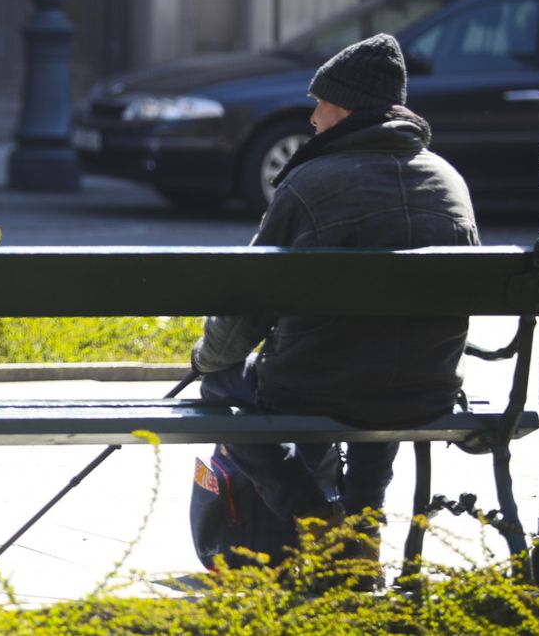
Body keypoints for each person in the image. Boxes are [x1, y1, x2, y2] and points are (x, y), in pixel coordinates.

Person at [189, 33, 479, 574]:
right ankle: (361, 529)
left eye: (319, 105)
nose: (313, 120)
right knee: (385, 367)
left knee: (222, 391)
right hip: (425, 386)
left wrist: (207, 361)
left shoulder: (307, 185)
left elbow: (246, 304)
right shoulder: (450, 182)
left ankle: (316, 519)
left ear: (344, 109)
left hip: (316, 384)